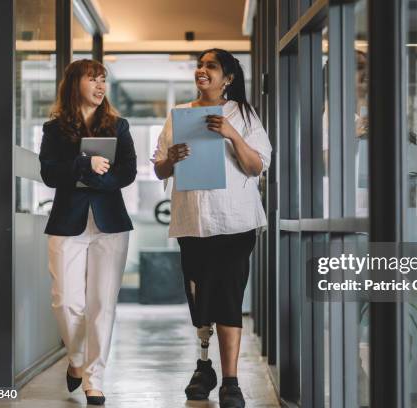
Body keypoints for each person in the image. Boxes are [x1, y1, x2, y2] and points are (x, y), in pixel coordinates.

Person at [153, 49, 272, 408]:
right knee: (200, 295)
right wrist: (169, 160)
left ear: (228, 78)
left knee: (228, 295)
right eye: (200, 65)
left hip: (234, 222)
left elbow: (256, 167)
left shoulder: (244, 114)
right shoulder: (180, 116)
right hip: (193, 221)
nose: (202, 71)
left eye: (211, 66)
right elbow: (158, 168)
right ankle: (204, 367)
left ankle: (231, 380)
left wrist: (233, 135)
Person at [39, 59, 137, 406]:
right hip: (68, 222)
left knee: (102, 306)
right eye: (92, 79)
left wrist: (97, 178)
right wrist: (84, 164)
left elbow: (127, 171)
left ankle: (94, 380)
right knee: (66, 301)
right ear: (74, 84)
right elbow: (49, 174)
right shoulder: (54, 130)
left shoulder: (118, 125)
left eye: (103, 80)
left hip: (110, 223)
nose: (100, 86)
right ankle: (77, 360)